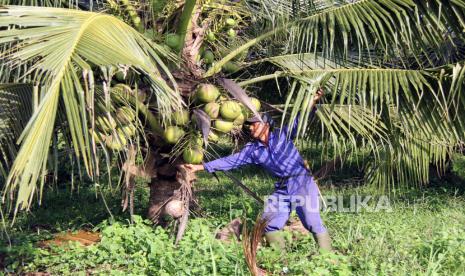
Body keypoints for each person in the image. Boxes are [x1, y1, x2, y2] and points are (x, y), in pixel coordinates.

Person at [183, 89, 332, 252]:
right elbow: (231, 161)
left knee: (312, 221)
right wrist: (201, 166)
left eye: (254, 124)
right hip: (282, 187)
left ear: (265, 125)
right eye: (249, 125)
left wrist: (313, 100)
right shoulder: (253, 150)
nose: (250, 128)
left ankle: (327, 257)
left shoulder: (282, 135)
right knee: (268, 223)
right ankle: (281, 259)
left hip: (301, 182)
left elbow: (300, 119)